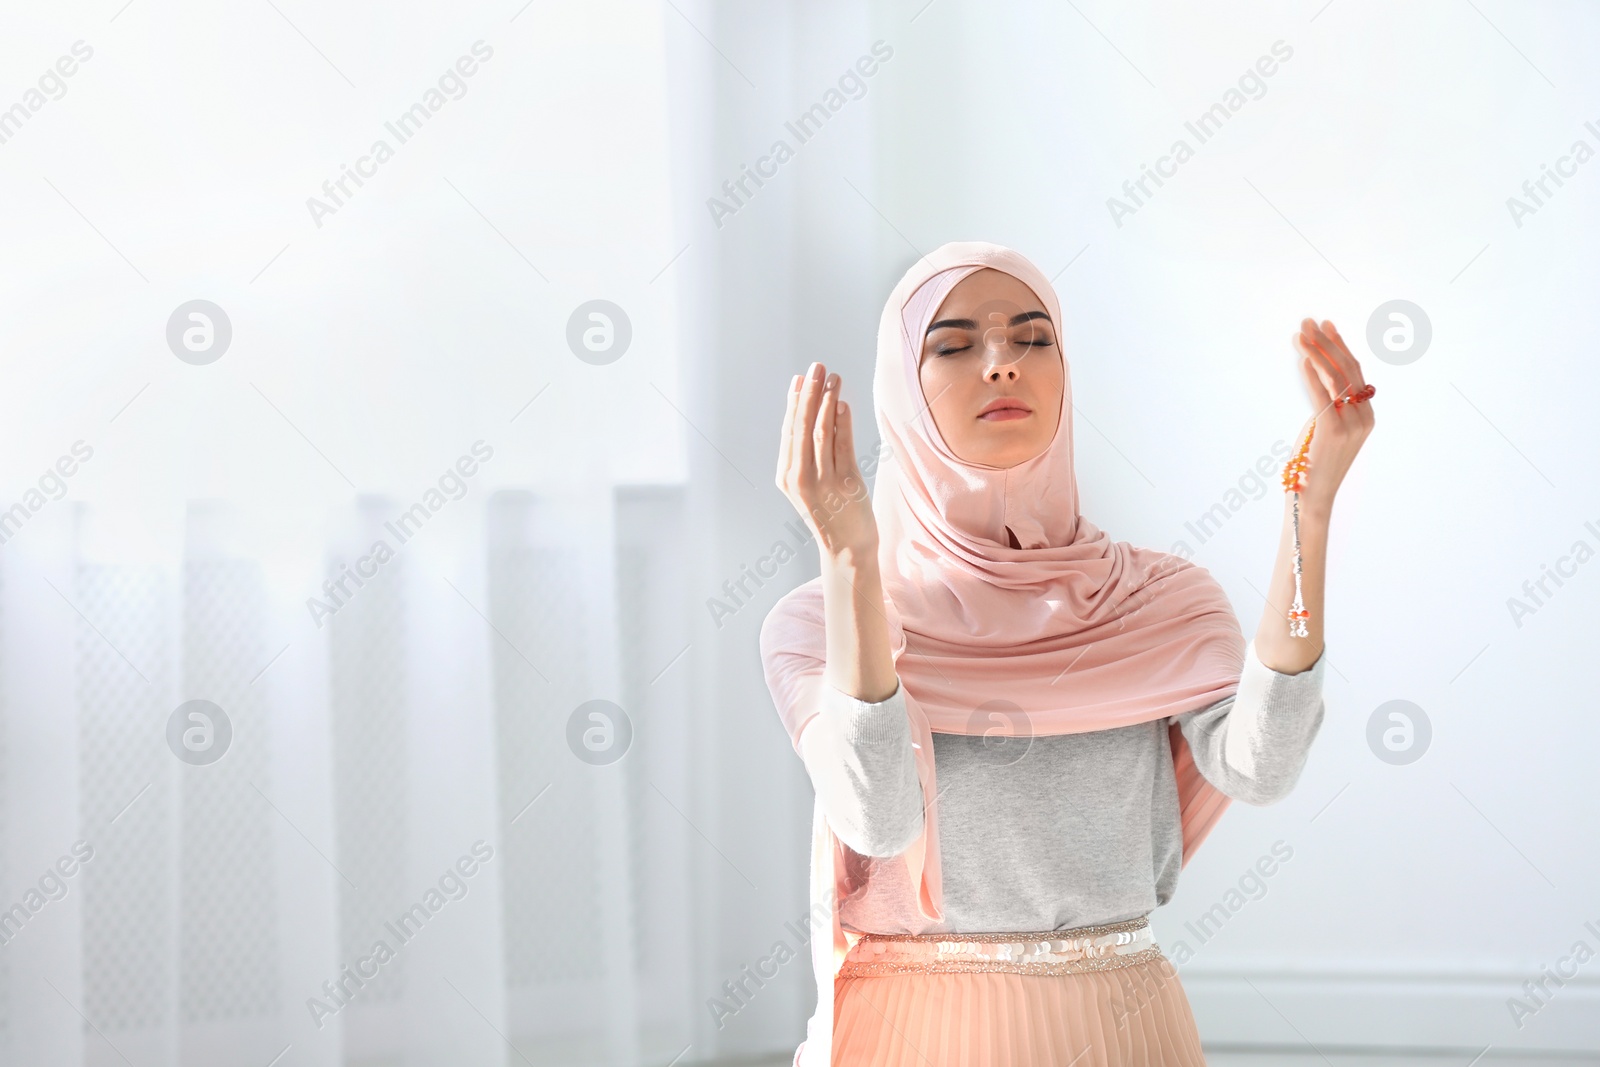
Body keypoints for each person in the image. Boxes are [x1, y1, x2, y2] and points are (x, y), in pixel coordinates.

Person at [759, 241, 1374, 1065]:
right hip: (920, 1034)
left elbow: (1260, 768)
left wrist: (1313, 507)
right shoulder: (815, 625)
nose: (1003, 364)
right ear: (901, 390)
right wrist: (850, 561)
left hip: (1121, 1024)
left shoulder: (1162, 600)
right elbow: (879, 819)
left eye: (1032, 338)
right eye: (953, 344)